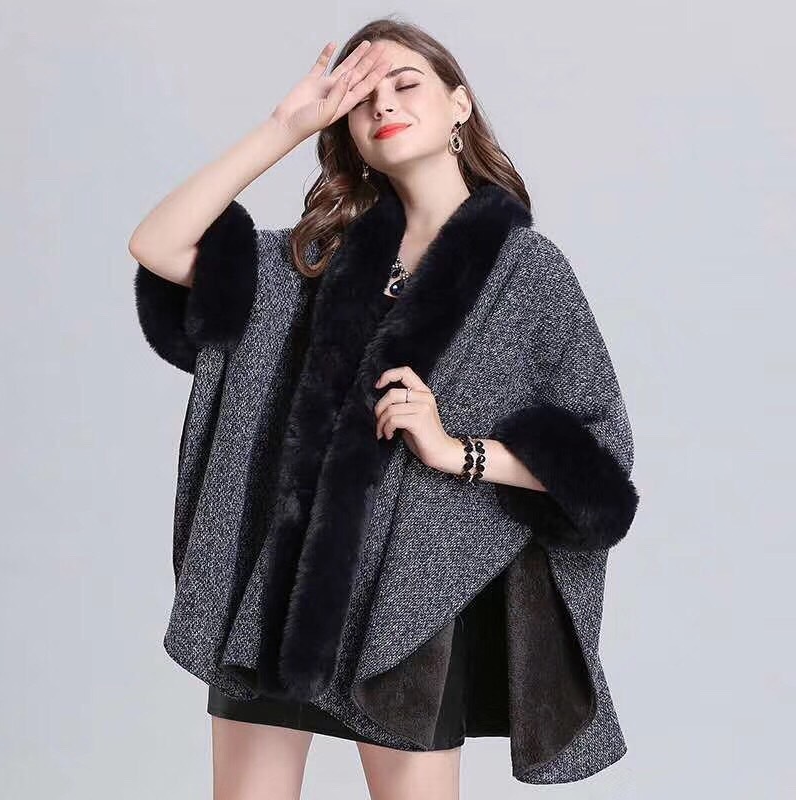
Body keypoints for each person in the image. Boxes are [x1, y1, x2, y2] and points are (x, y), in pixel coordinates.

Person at [129, 18, 639, 800]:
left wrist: (454, 450)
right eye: (362, 100)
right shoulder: (311, 260)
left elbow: (600, 472)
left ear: (459, 104)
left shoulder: (528, 275)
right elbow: (158, 244)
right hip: (272, 599)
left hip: (406, 607)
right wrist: (284, 127)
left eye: (406, 85)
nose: (385, 106)